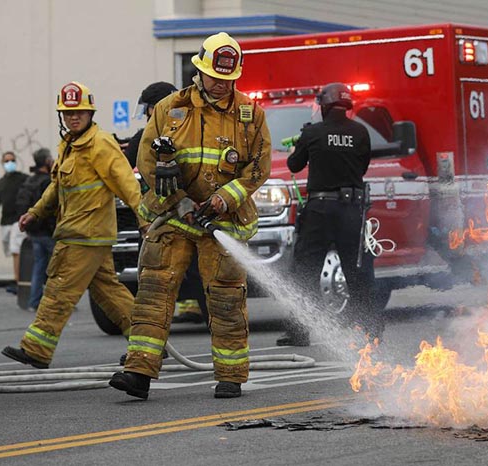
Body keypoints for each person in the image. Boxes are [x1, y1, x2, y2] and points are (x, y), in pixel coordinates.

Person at [110, 32, 271, 400]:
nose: (222, 85)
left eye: (229, 79)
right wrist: (179, 199)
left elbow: (258, 167)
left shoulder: (250, 114)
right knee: (154, 292)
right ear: (200, 70)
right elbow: (146, 160)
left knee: (226, 297)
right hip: (174, 216)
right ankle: (138, 372)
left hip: (222, 221)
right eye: (216, 77)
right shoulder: (170, 108)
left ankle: (230, 376)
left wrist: (224, 199)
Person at [1, 82, 145, 369]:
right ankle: (149, 345)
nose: (73, 117)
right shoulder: (68, 146)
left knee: (58, 288)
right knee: (109, 292)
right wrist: (34, 213)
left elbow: (127, 183)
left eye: (79, 112)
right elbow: (56, 188)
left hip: (85, 234)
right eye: (67, 113)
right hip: (83, 233)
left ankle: (37, 349)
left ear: (90, 113)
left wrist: (144, 220)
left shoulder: (100, 143)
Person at [276, 82, 381, 347]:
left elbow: (293, 164)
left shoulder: (313, 133)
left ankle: (300, 332)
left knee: (306, 270)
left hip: (320, 211)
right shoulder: (360, 133)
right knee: (357, 271)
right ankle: (370, 331)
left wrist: (298, 148)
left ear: (324, 105)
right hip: (352, 210)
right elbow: (363, 167)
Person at [129, 81, 205, 324]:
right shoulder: (194, 131)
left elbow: (128, 160)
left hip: (164, 220)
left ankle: (150, 345)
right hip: (191, 216)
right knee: (195, 271)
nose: (147, 116)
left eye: (149, 109)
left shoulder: (146, 137)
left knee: (157, 280)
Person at [16, 148, 56, 311]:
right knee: (59, 267)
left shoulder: (29, 181)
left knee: (39, 266)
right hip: (47, 232)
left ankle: (34, 302)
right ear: (46, 161)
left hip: (33, 232)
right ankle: (57, 303)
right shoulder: (47, 181)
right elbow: (50, 206)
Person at [0, 151, 29, 294]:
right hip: (5, 222)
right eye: (6, 161)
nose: (9, 163)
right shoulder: (0, 183)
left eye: (12, 160)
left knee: (15, 250)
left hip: (18, 221)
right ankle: (20, 280)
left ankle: (19, 282)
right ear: (2, 163)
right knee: (10, 250)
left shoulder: (24, 179)